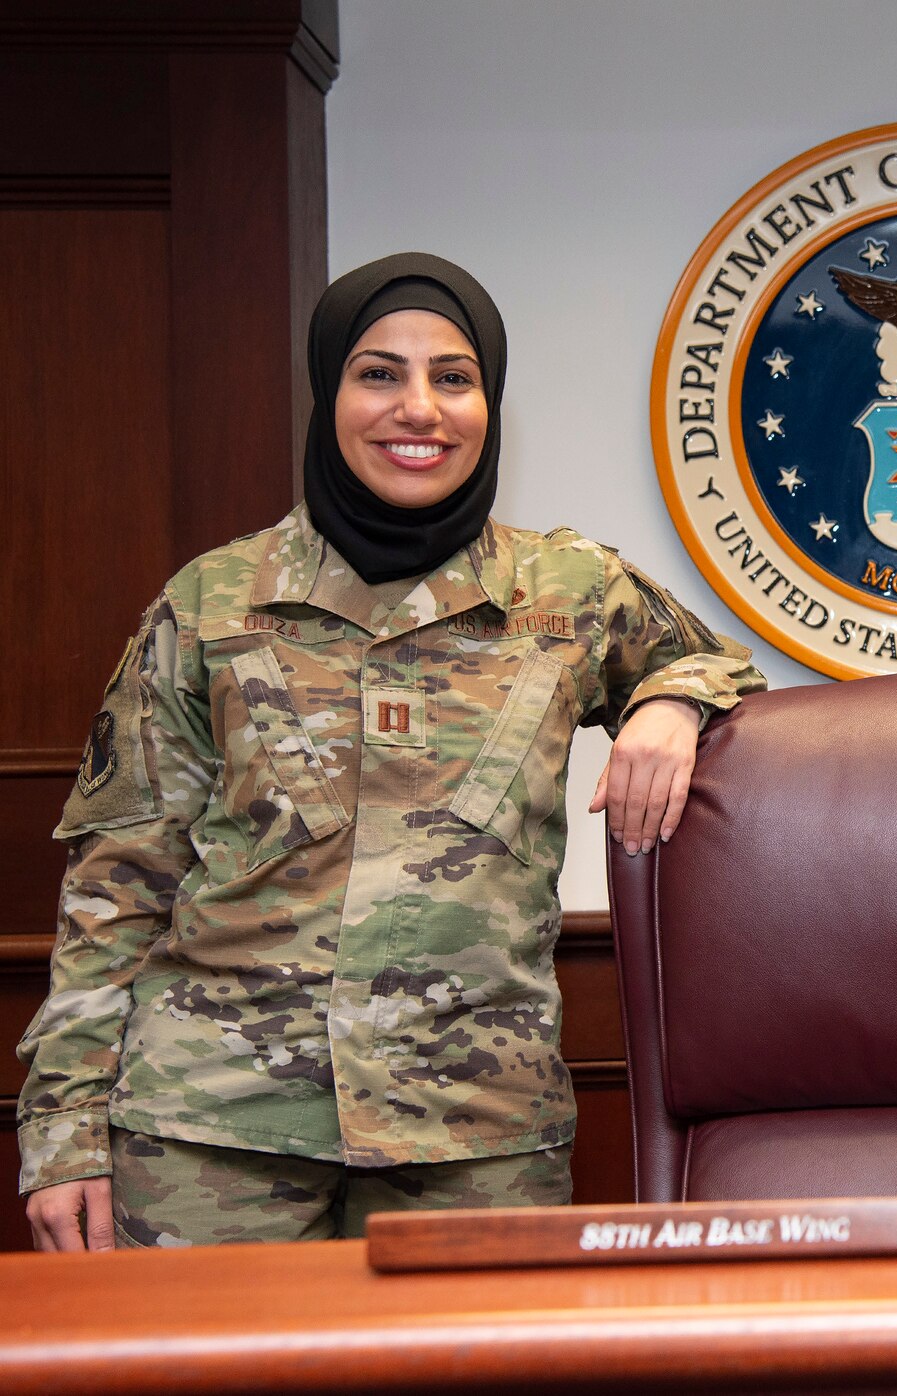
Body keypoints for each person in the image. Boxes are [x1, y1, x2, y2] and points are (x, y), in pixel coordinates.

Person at [17, 253, 765, 1248]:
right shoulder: (210, 604)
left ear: (487, 402)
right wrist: (65, 1133)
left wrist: (670, 700)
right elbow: (116, 889)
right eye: (379, 374)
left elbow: (719, 667)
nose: (419, 407)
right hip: (211, 1141)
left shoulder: (567, 589)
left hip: (474, 1139)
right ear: (329, 393)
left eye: (452, 378)